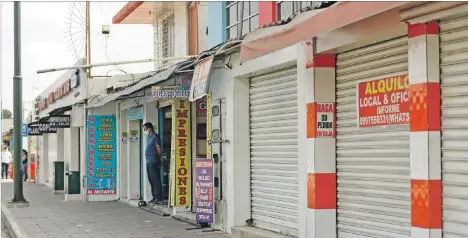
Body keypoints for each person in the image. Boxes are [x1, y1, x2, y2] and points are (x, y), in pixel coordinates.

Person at [143, 122, 163, 205]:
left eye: (145, 129)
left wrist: (157, 158)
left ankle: (158, 198)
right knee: (151, 180)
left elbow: (159, 150)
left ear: (149, 129)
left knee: (155, 180)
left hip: (153, 161)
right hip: (148, 161)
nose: (144, 131)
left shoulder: (155, 137)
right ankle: (154, 197)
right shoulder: (149, 137)